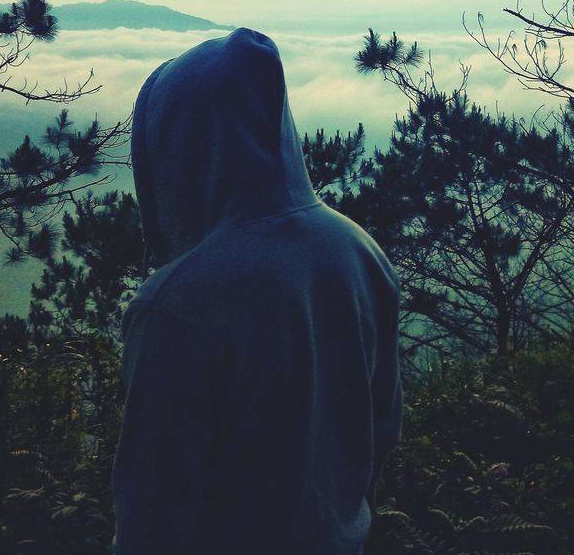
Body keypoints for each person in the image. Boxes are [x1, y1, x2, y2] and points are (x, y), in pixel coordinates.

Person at [113, 28, 402, 554]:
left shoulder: (176, 305)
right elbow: (378, 437)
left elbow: (153, 518)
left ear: (178, 143)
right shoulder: (359, 253)